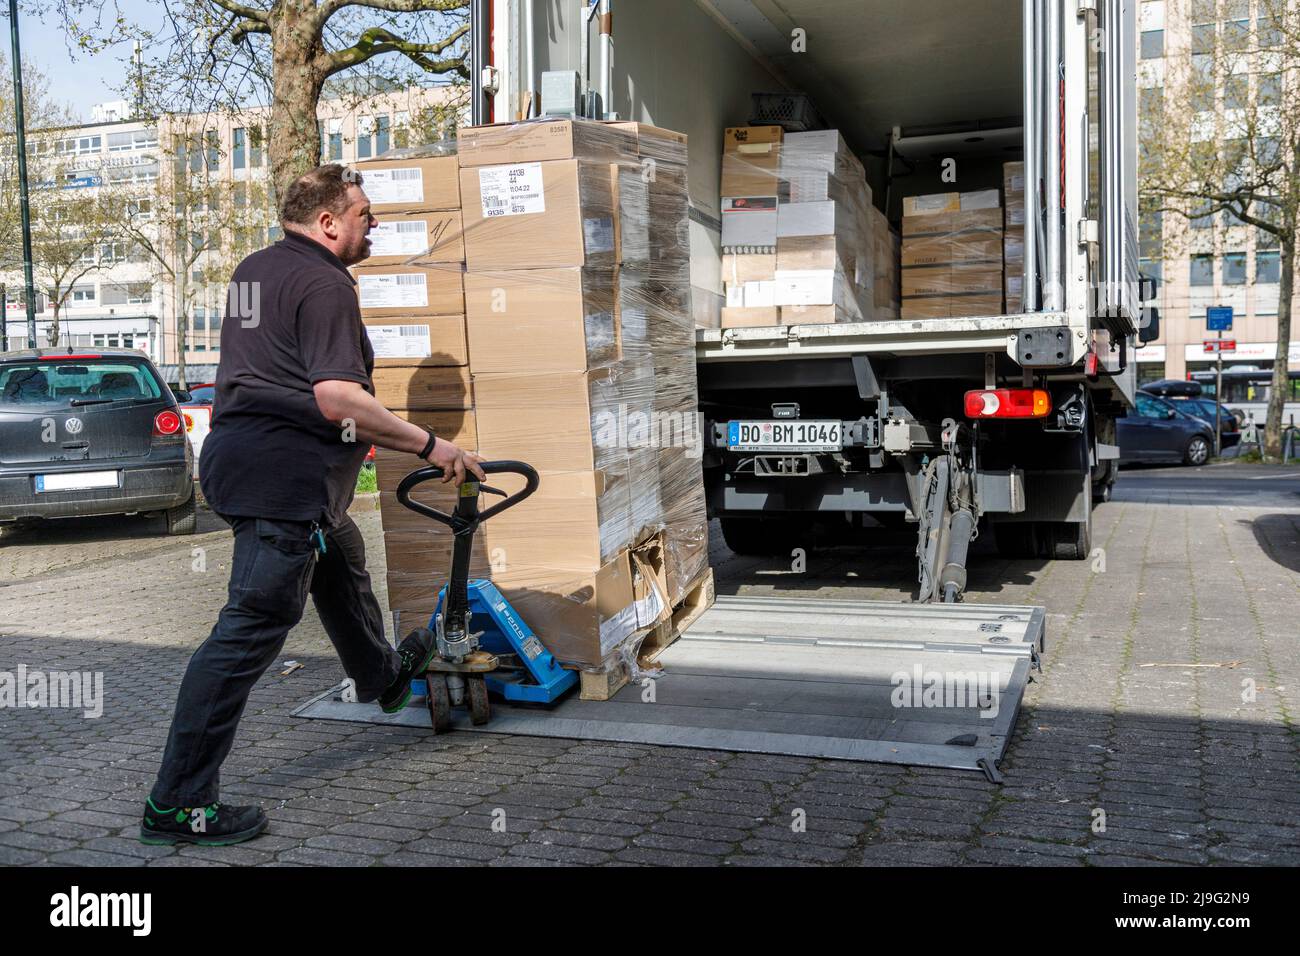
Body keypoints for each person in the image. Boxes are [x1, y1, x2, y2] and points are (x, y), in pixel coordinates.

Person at [141, 164, 483, 847]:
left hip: (255, 464)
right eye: (364, 213)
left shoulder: (254, 269)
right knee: (248, 631)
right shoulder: (325, 283)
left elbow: (271, 369)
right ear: (328, 222)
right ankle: (178, 802)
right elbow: (335, 399)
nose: (373, 223)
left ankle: (381, 676)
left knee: (340, 551)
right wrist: (432, 447)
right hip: (280, 476)